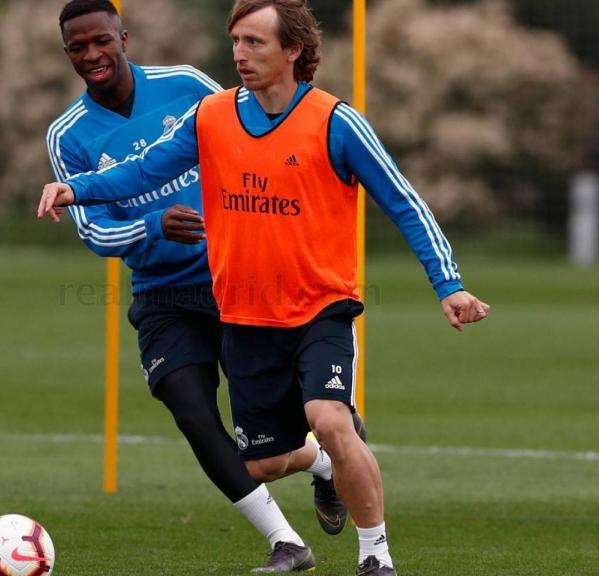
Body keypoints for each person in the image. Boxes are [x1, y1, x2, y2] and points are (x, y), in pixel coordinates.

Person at [39, 1, 492, 574]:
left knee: (329, 417)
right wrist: (75, 191)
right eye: (235, 42)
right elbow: (144, 170)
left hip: (314, 301)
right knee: (260, 460)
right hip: (223, 303)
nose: (239, 55)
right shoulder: (210, 115)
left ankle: (375, 558)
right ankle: (323, 467)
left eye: (254, 43)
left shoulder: (331, 120)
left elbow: (403, 201)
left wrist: (448, 284)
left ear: (293, 50)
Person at [47, 1, 352, 572]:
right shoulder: (68, 134)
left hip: (234, 278)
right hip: (163, 294)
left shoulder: (186, 85)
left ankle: (324, 464)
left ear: (123, 38)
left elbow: (248, 130)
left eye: (100, 42)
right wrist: (151, 227)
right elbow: (93, 229)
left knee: (274, 438)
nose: (91, 55)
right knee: (189, 408)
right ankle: (285, 542)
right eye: (77, 48)